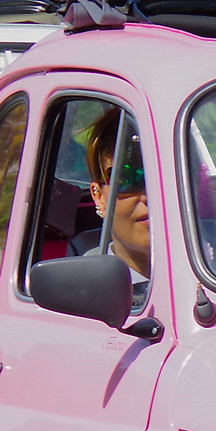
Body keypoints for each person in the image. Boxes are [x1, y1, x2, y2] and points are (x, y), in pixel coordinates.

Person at [83, 109, 153, 298]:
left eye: (163, 176)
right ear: (99, 197)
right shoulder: (87, 293)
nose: (150, 194)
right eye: (126, 178)